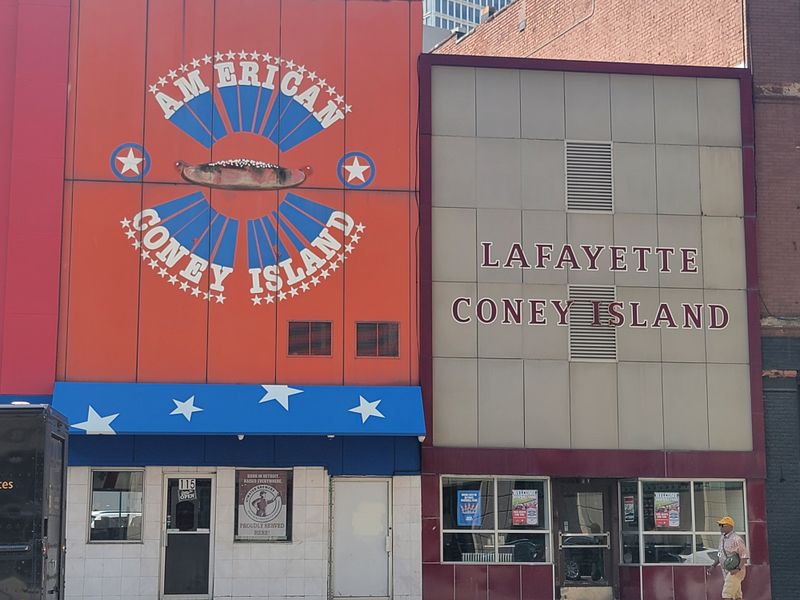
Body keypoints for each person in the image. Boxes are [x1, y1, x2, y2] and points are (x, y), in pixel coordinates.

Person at [706, 516, 749, 600]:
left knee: (726, 594)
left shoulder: (736, 539)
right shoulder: (722, 538)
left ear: (730, 526)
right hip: (726, 570)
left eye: (723, 525)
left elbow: (744, 556)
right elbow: (720, 554)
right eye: (720, 525)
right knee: (737, 595)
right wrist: (713, 565)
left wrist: (737, 569)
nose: (720, 527)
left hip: (735, 571)